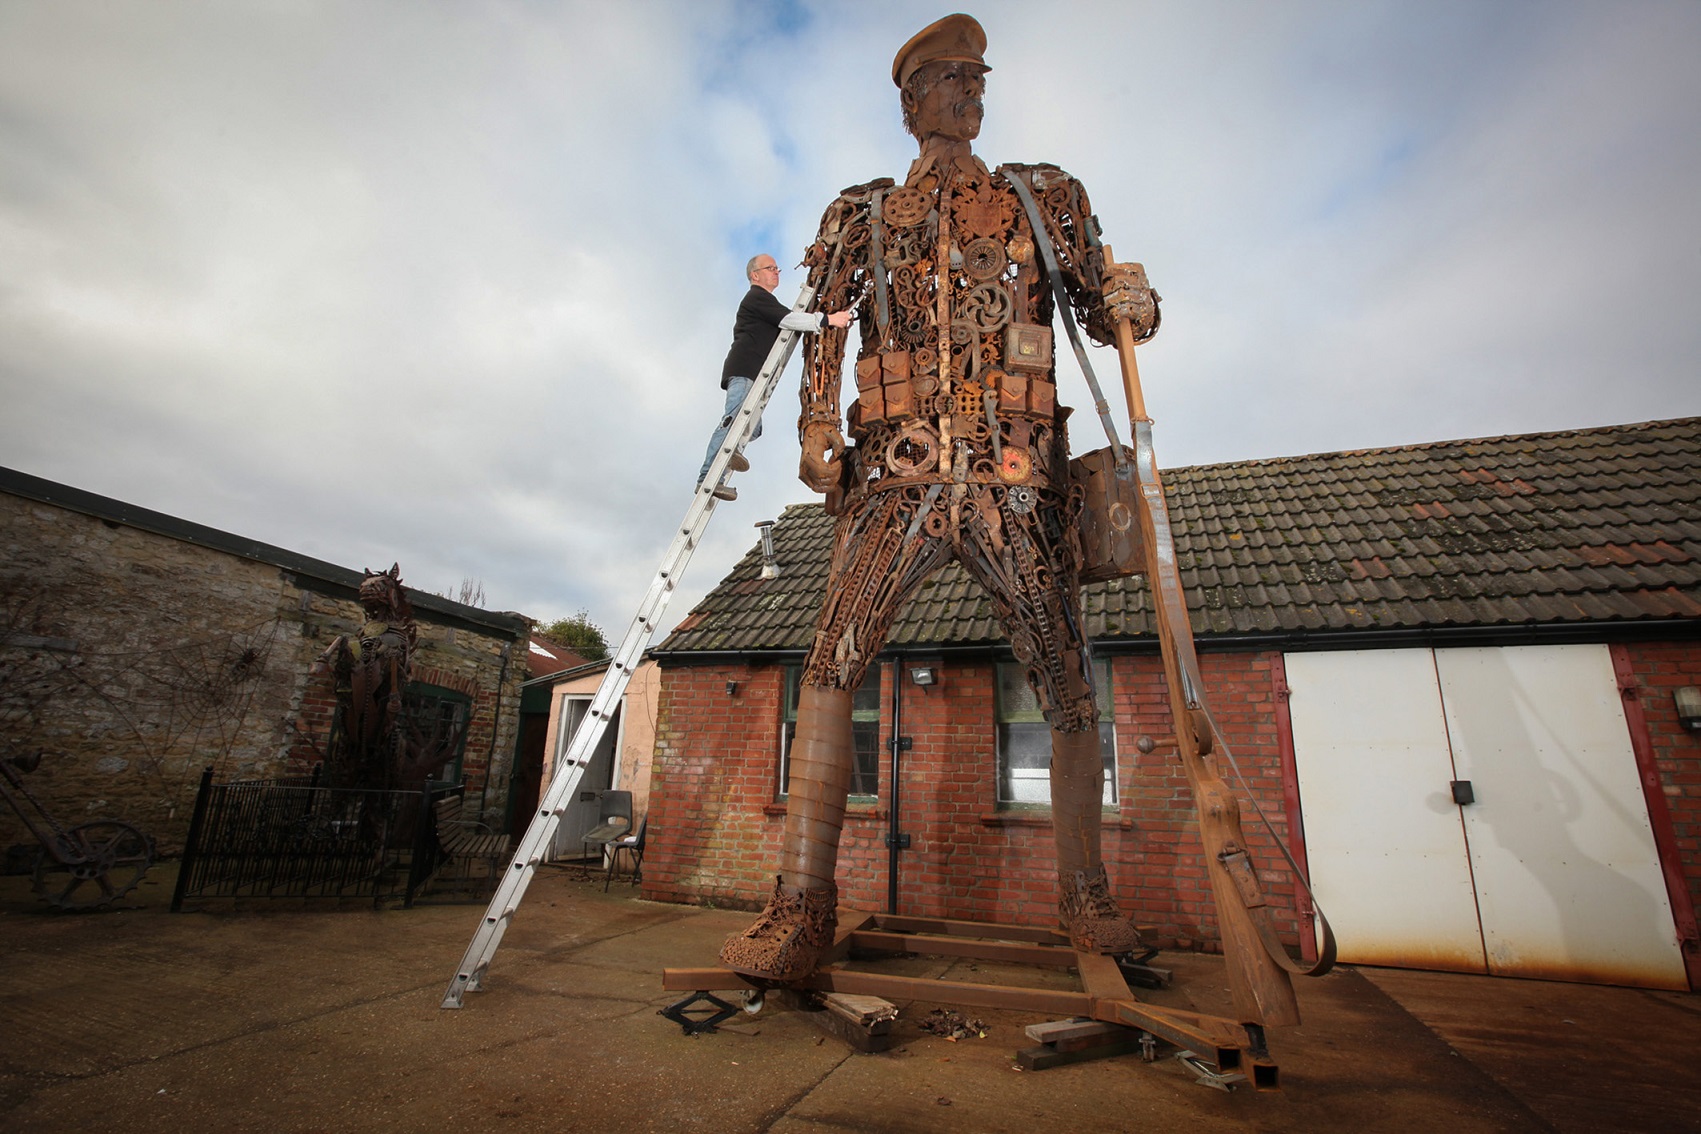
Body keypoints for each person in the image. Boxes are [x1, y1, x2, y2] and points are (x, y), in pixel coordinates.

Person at [719, 13, 1161, 983]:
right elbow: (827, 327)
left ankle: (1087, 901)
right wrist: (813, 427)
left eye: (976, 76)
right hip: (896, 473)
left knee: (1065, 678)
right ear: (911, 102)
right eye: (947, 79)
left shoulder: (1046, 202)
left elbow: (1105, 301)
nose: (968, 91)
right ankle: (799, 911)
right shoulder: (863, 214)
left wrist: (1134, 297)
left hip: (1017, 477)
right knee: (832, 660)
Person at [698, 255, 854, 501]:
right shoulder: (756, 298)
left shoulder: (765, 301)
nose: (776, 272)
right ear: (755, 275)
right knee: (734, 420)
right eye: (770, 269)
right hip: (746, 369)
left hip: (754, 372)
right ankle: (708, 478)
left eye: (777, 269)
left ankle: (731, 455)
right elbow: (789, 320)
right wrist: (829, 319)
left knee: (752, 428)